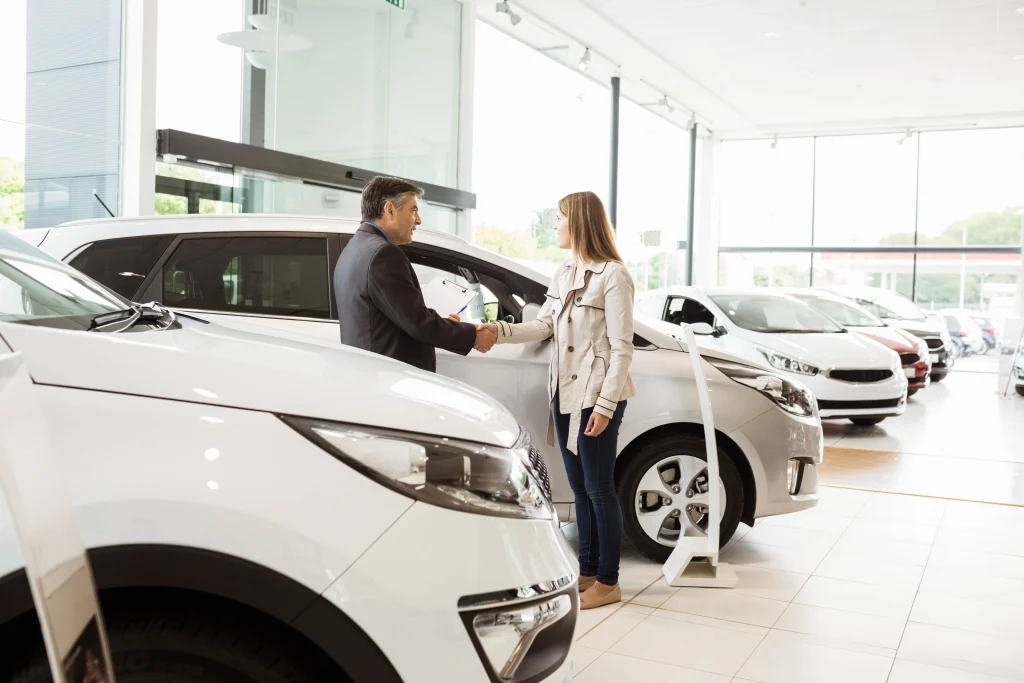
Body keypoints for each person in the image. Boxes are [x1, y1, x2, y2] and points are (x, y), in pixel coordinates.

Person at [476, 191, 635, 609]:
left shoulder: (612, 276)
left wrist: (604, 406)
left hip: (596, 395)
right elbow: (545, 324)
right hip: (564, 393)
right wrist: (496, 331)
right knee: (580, 488)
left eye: (559, 218)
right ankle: (586, 571)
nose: (555, 225)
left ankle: (609, 580)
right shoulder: (565, 272)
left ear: (579, 222)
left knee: (600, 488)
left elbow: (622, 349)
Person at [334, 176, 496, 372]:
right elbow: (418, 323)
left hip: (369, 372)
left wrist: (440, 323)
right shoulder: (383, 255)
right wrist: (473, 335)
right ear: (389, 210)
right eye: (413, 210)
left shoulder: (354, 248)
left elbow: (394, 316)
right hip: (389, 377)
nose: (418, 220)